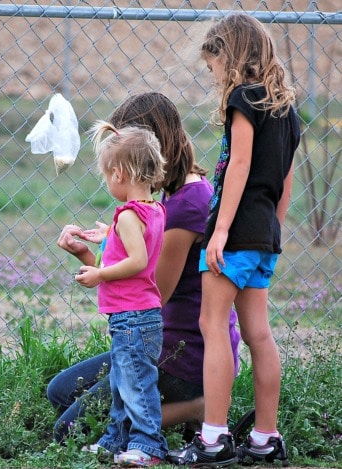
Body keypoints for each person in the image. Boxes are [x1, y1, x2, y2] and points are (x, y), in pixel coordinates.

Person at [48, 92, 244, 454]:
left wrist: (104, 263)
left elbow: (152, 291)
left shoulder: (186, 205)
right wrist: (93, 253)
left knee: (69, 431)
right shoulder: (162, 198)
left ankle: (197, 407)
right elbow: (136, 277)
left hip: (180, 356)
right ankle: (147, 414)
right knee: (59, 391)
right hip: (150, 339)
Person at [166, 13, 300, 467]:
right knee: (259, 334)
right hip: (263, 236)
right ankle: (265, 439)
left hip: (234, 233)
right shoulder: (287, 110)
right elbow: (284, 182)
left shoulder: (244, 99)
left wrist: (219, 231)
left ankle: (212, 438)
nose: (213, 75)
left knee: (213, 325)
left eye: (212, 66)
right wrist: (273, 229)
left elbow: (238, 166)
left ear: (230, 55)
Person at [71, 119, 169, 467]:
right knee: (122, 383)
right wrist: (109, 234)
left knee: (137, 385)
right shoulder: (154, 210)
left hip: (132, 316)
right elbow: (136, 243)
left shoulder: (128, 215)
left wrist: (99, 274)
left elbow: (138, 260)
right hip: (140, 315)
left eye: (106, 175)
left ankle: (149, 446)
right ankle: (116, 440)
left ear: (119, 174)